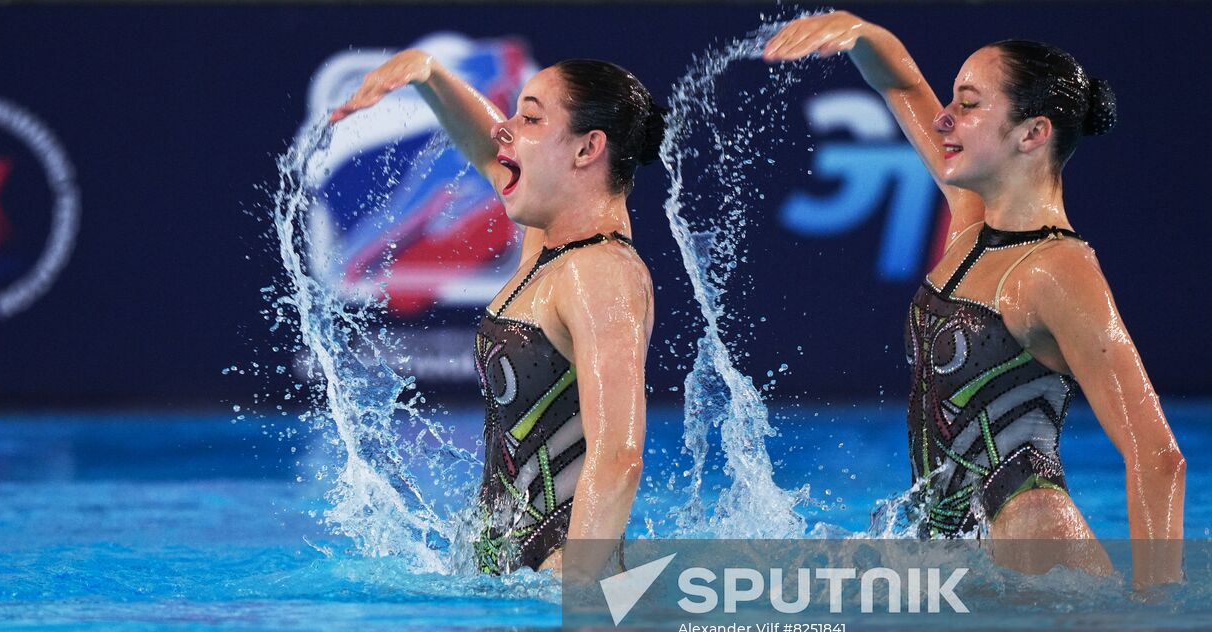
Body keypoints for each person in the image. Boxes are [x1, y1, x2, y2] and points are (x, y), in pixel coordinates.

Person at [764, 13, 1185, 585]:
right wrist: (860, 32)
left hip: (1037, 550)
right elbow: (902, 86)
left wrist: (1154, 614)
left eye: (969, 104)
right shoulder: (970, 225)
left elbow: (1157, 456)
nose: (944, 117)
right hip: (961, 557)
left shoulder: (1057, 271)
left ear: (1032, 133)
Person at [330, 52, 664, 575]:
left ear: (586, 148)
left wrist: (582, 593)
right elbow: (492, 147)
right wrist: (429, 74)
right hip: (510, 581)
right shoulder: (551, 247)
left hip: (558, 583)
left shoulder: (601, 273)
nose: (506, 130)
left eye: (530, 118)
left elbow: (619, 456)